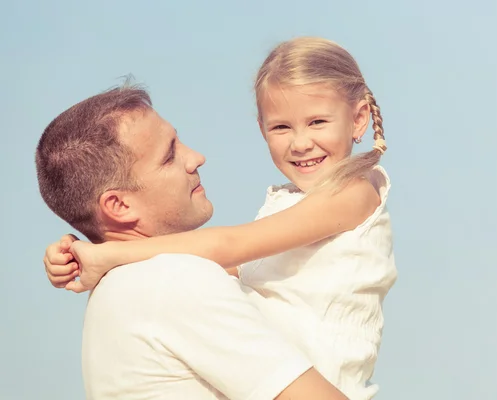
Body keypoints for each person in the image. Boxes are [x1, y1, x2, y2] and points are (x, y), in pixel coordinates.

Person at [45, 37, 397, 399]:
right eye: (281, 128)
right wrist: (88, 256)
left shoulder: (352, 192)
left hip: (328, 366)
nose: (301, 143)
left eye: (318, 122)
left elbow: (230, 249)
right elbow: (232, 257)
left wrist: (103, 255)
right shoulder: (171, 281)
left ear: (358, 120)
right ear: (262, 128)